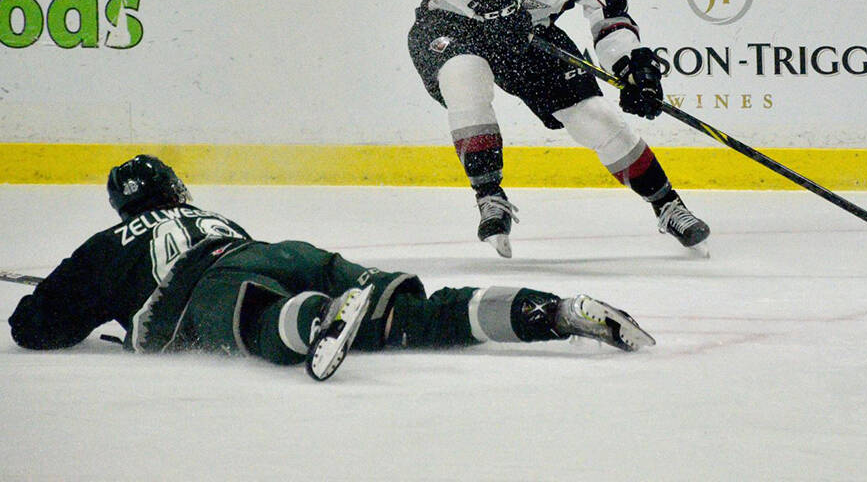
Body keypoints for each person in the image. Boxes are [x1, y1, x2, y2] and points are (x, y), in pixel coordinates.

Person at [8, 155, 655, 383]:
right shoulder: (207, 215)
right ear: (175, 190)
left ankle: (319, 318)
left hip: (207, 286)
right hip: (276, 252)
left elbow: (35, 326)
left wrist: (91, 308)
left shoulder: (106, 244)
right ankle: (547, 313)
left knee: (263, 324)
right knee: (413, 315)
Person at [407, 0, 711, 258]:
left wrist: (634, 67)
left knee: (595, 117)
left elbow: (610, 23)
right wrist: (490, 3)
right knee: (466, 76)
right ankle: (489, 195)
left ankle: (668, 204)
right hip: (452, 19)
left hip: (526, 35)